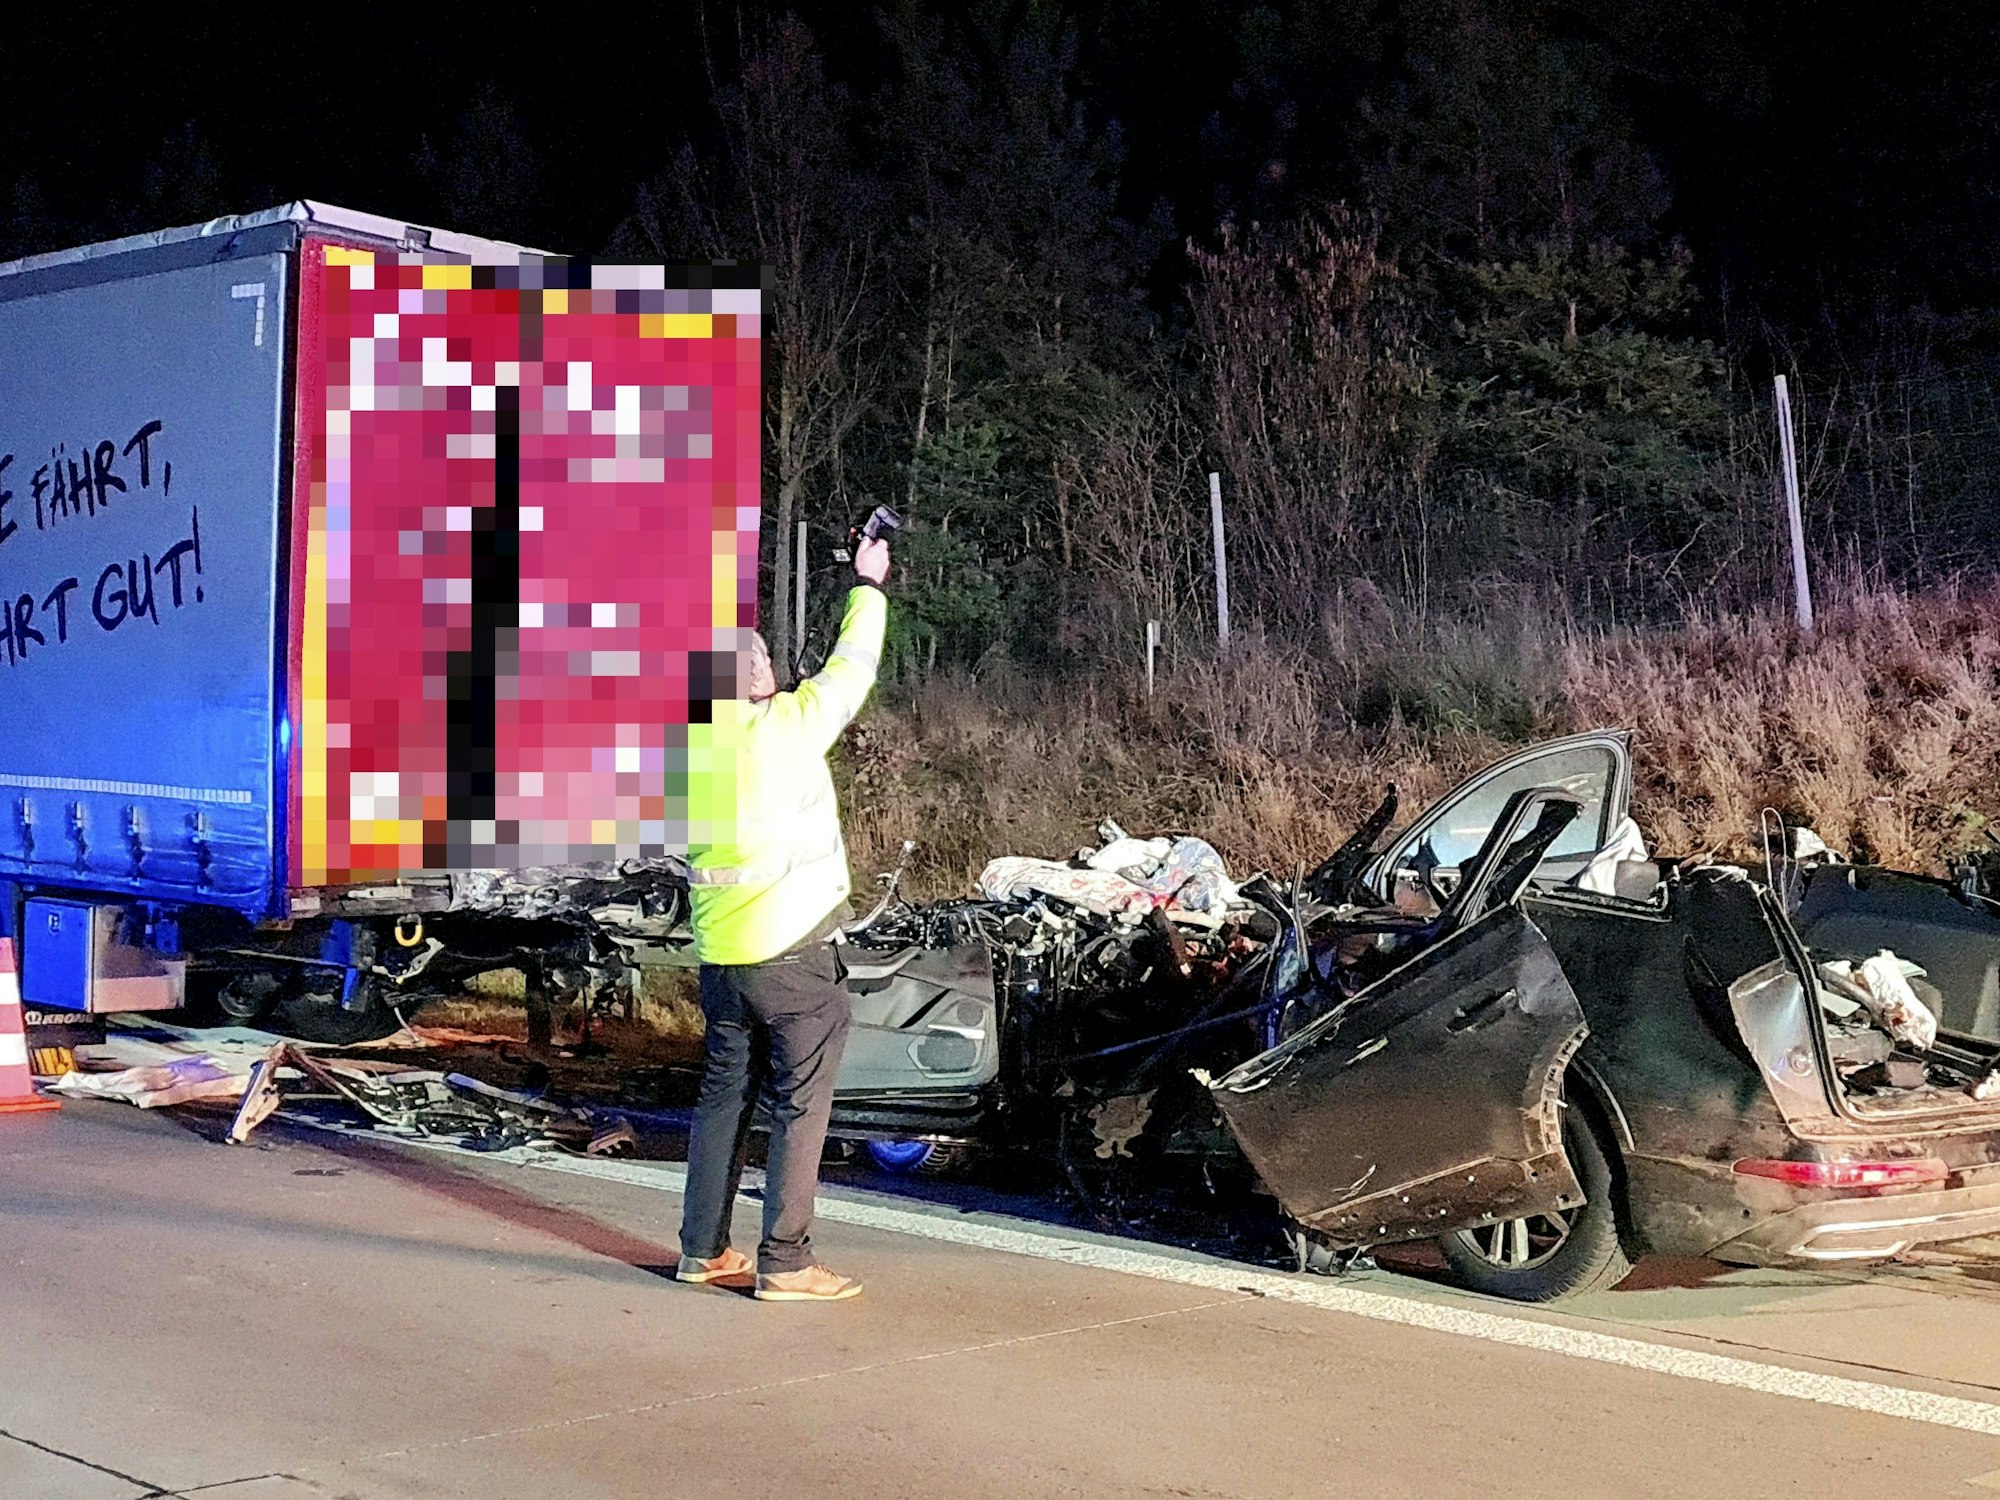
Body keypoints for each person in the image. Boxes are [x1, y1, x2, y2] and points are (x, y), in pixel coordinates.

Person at [675, 534, 890, 1302]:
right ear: (756, 675)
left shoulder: (689, 748)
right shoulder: (789, 724)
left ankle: (703, 1250)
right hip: (794, 956)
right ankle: (788, 1262)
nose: (770, 666)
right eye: (761, 659)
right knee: (802, 1106)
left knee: (723, 1098)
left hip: (721, 956)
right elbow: (853, 666)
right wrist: (868, 584)